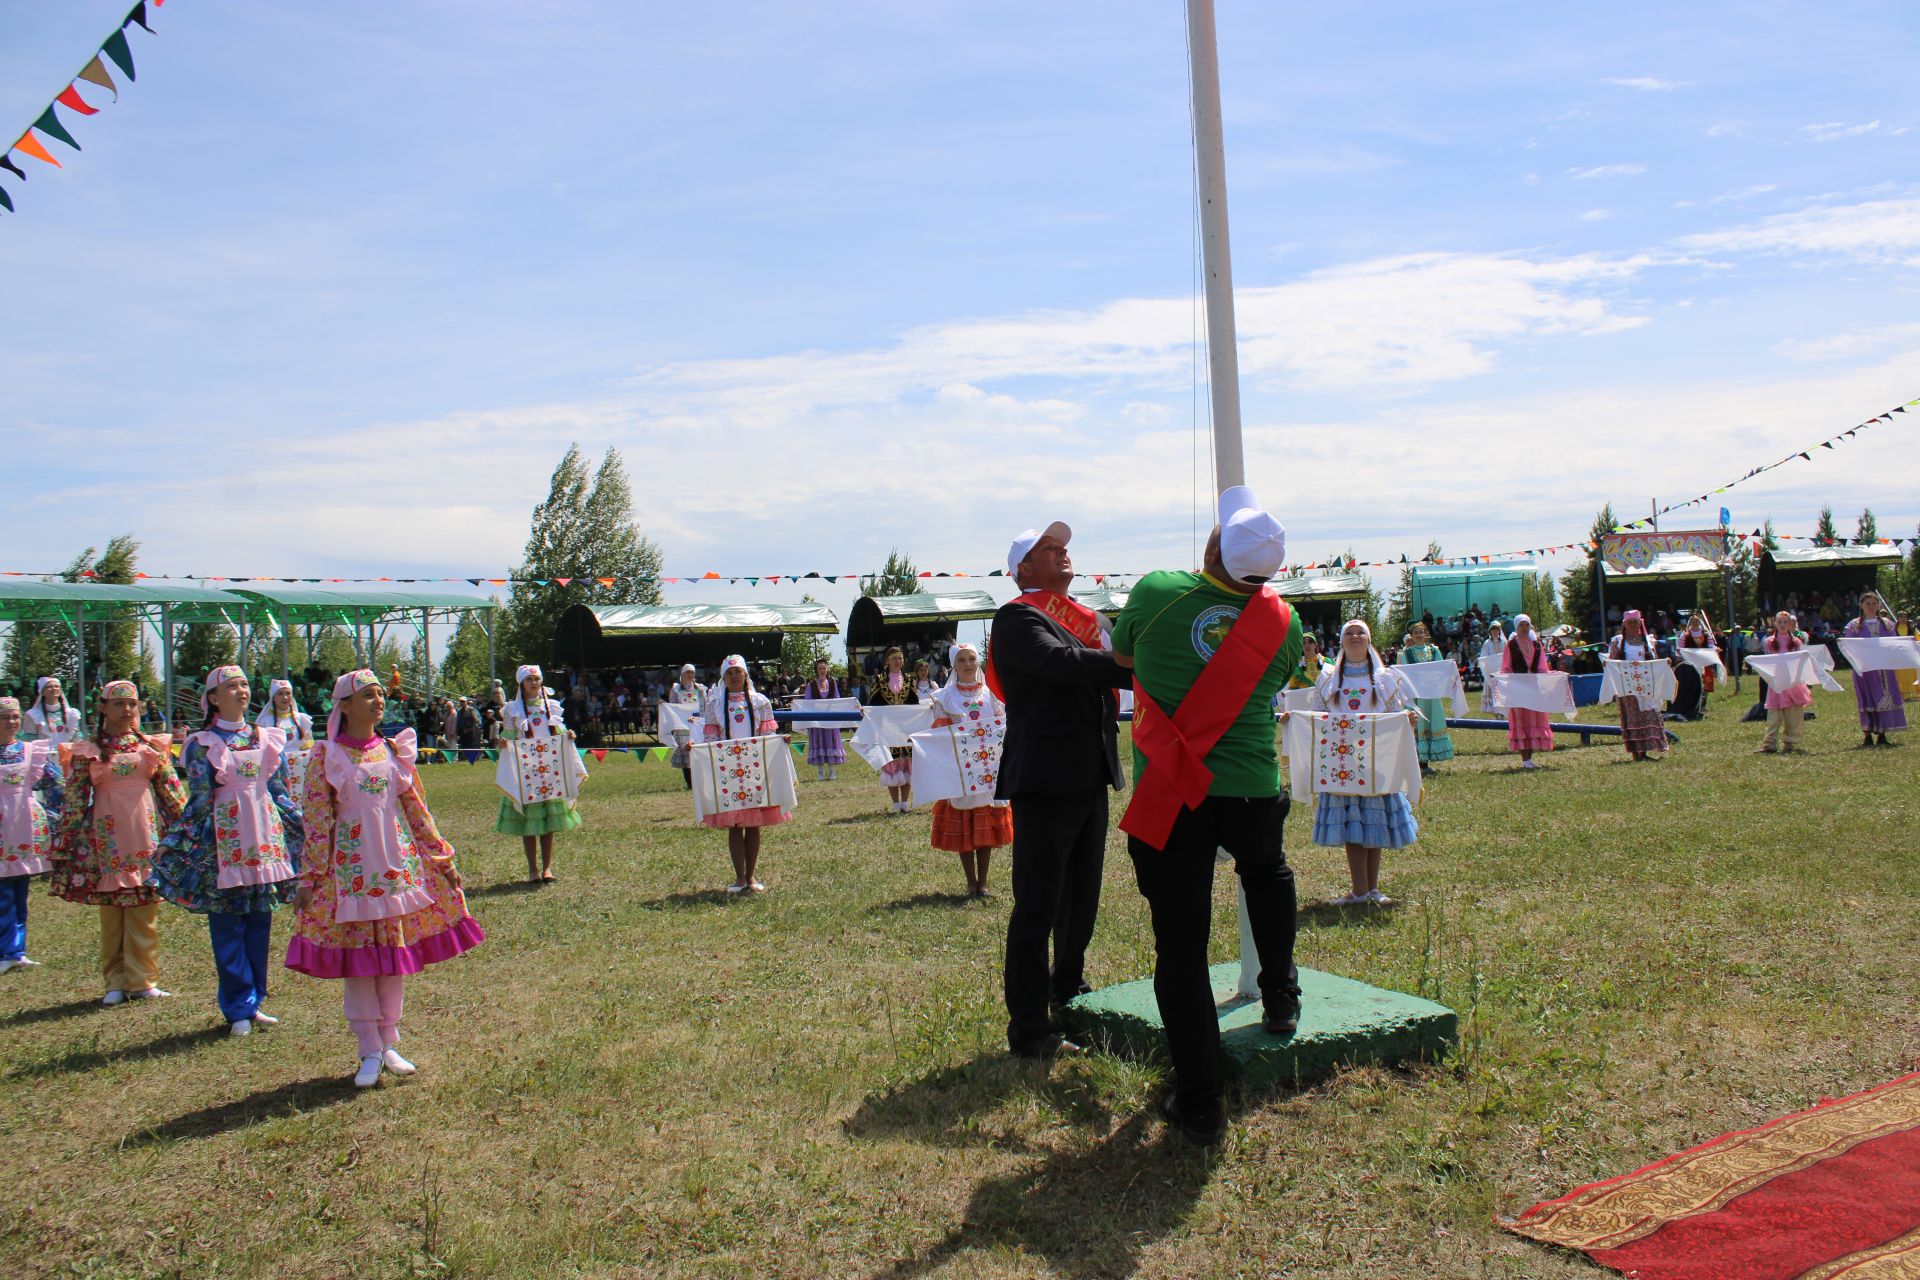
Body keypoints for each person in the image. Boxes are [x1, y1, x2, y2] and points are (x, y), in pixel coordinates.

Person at [1112, 487, 1302, 1145]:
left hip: (1176, 789)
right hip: (1250, 779)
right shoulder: (1286, 621)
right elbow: (1270, 684)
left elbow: (1124, 658)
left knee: (1182, 946)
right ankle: (1281, 997)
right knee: (1268, 874)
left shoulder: (1158, 589)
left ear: (1214, 546)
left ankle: (1199, 1102)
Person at [286, 670, 483, 1089]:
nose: (378, 701)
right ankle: (368, 1049)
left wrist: (442, 858)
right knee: (360, 963)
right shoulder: (326, 756)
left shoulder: (394, 752)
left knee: (391, 959)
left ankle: (390, 1040)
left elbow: (416, 810)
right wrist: (309, 877)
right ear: (345, 706)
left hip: (393, 871)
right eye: (368, 695)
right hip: (350, 875)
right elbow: (317, 824)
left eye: (380, 695)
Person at [987, 521, 1127, 1060]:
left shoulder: (1091, 619)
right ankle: (1028, 1025)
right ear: (1023, 568)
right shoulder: (1017, 616)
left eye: (1063, 546)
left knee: (1082, 898)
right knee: (1039, 904)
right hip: (1045, 776)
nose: (1062, 552)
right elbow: (1059, 664)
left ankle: (1067, 987)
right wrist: (1134, 668)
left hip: (1088, 771)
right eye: (1049, 548)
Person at [153, 667, 304, 1036]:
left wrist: (303, 824)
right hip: (225, 844)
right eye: (231, 686)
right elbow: (200, 801)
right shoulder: (201, 743)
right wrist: (179, 845)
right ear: (214, 698)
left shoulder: (268, 737)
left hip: (265, 839)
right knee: (226, 925)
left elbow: (279, 791)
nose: (240, 691)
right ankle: (237, 1006)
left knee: (259, 922)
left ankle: (255, 1002)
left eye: (244, 685)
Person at [49, 680, 187, 1005]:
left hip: (144, 835)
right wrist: (64, 841)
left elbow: (173, 793)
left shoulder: (151, 746)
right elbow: (74, 799)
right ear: (103, 708)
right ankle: (114, 981)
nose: (126, 710)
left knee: (143, 908)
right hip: (106, 839)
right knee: (112, 910)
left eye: (132, 704)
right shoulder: (88, 751)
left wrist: (191, 829)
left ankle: (143, 980)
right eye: (119, 704)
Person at [1312, 621, 1418, 906]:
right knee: (1353, 822)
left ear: (1369, 640)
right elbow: (1317, 716)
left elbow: (1397, 714)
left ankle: (1370, 889)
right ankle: (1359, 889)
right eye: (1349, 632)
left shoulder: (1385, 679)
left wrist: (1407, 719)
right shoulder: (1327, 678)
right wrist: (1292, 720)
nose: (1355, 637)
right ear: (1341, 640)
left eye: (1360, 633)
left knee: (1373, 820)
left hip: (1375, 760)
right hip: (1343, 762)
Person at [925, 642, 1013, 898]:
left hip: (988, 768)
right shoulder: (944, 697)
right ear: (954, 665)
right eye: (962, 660)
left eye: (972, 659)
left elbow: (1003, 724)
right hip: (961, 768)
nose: (968, 665)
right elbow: (941, 732)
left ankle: (983, 881)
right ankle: (970, 881)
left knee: (985, 822)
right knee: (965, 823)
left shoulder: (992, 694)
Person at [700, 655, 791, 895]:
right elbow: (710, 739)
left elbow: (767, 734)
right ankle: (739, 878)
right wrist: (701, 753)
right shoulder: (715, 705)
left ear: (745, 675)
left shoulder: (760, 702)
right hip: (726, 770)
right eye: (729, 673)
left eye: (738, 672)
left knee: (753, 825)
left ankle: (750, 876)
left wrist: (780, 742)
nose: (734, 676)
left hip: (754, 769)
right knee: (734, 825)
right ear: (723, 677)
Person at [496, 664, 582, 883]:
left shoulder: (551, 707)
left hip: (549, 772)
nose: (533, 683)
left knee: (549, 821)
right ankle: (532, 869)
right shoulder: (512, 709)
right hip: (526, 772)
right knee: (530, 821)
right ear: (522, 684)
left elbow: (558, 733)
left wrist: (568, 735)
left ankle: (547, 868)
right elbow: (506, 736)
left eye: (536, 679)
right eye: (529, 680)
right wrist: (504, 742)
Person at [0, 695, 63, 976]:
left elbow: (55, 783)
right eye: (5, 717)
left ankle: (18, 949)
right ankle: (6, 949)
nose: (11, 722)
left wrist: (56, 812)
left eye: (14, 717)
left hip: (23, 823)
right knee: (2, 891)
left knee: (20, 888)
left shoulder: (29, 751)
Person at [1843, 591, 1907, 746]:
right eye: (1867, 604)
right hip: (1864, 670)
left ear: (1879, 605)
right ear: (1861, 606)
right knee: (1866, 698)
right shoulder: (1853, 626)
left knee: (1884, 697)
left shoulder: (1887, 624)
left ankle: (1882, 734)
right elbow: (1848, 647)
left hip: (1884, 669)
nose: (1871, 607)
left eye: (1874, 603)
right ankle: (1867, 735)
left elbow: (1893, 644)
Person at [1608, 610, 1669, 761]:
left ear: (1640, 623)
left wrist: (1664, 663)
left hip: (1646, 684)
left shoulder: (1647, 641)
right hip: (1628, 685)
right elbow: (1612, 661)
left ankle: (1647, 750)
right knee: (1633, 717)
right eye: (1630, 623)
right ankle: (1638, 752)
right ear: (1625, 624)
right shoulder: (1618, 642)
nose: (1633, 625)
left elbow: (1654, 660)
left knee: (1648, 715)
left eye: (1636, 622)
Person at [864, 647, 919, 813]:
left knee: (907, 763)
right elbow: (873, 704)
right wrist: (866, 712)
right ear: (887, 661)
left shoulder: (909, 680)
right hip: (887, 730)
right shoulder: (880, 680)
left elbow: (915, 704)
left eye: (900, 658)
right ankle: (896, 803)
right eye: (894, 658)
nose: (898, 661)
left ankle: (905, 802)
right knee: (892, 764)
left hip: (905, 729)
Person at [1396, 621, 1454, 773]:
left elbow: (1442, 668)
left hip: (1432, 695)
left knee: (1430, 723)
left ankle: (1425, 763)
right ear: (1411, 636)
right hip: (1415, 696)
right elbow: (1404, 674)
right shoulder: (1406, 654)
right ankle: (1417, 763)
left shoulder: (1434, 651)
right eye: (1416, 632)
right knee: (1418, 725)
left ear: (1426, 634)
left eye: (1421, 632)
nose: (1419, 635)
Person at [1503, 614, 1555, 769]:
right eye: (1521, 625)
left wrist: (1553, 676)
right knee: (1521, 721)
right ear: (1516, 628)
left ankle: (1529, 759)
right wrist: (1505, 679)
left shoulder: (1537, 644)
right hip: (1518, 689)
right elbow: (1506, 667)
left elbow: (1542, 667)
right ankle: (1525, 760)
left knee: (1534, 720)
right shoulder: (1510, 645)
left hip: (1534, 688)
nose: (1524, 628)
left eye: (1527, 625)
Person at [1757, 611, 1812, 754]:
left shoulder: (1796, 642)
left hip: (1792, 682)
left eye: (1785, 622)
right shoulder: (1768, 642)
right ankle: (1770, 744)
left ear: (1790, 624)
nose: (1782, 625)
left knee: (1793, 714)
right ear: (1774, 623)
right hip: (1776, 682)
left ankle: (1790, 743)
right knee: (1774, 714)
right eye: (1779, 622)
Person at [797, 658, 847, 782]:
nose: (822, 670)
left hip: (830, 719)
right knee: (818, 743)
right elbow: (807, 701)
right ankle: (820, 773)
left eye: (824, 667)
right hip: (817, 719)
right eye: (820, 668)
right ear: (816, 670)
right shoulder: (811, 684)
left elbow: (837, 698)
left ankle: (832, 772)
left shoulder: (833, 682)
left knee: (831, 743)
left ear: (827, 669)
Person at [665, 664, 705, 790]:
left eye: (692, 672)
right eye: (687, 672)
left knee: (697, 752)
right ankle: (690, 783)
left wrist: (697, 718)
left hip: (696, 724)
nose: (690, 674)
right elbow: (673, 707)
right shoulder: (676, 689)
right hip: (682, 725)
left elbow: (704, 707)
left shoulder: (700, 688)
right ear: (682, 674)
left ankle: (699, 781)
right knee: (685, 754)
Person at [22, 677, 81, 745]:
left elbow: (77, 737)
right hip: (43, 754)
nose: (54, 689)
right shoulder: (33, 715)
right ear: (42, 691)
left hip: (67, 753)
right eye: (49, 687)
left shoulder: (72, 714)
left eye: (56, 686)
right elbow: (30, 741)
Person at [1680, 611, 1718, 695]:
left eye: (1696, 621)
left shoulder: (1705, 634)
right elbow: (1681, 647)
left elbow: (1711, 645)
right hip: (1691, 661)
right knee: (1693, 680)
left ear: (1699, 622)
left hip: (1703, 661)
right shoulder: (1685, 634)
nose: (1694, 623)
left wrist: (1715, 649)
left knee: (1705, 680)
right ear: (1690, 623)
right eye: (1692, 622)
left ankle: (1703, 701)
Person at [1478, 622, 1508, 720]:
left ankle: (1502, 713)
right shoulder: (1487, 643)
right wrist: (1488, 670)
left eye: (1497, 629)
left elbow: (1507, 656)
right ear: (1490, 631)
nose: (1495, 632)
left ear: (1499, 631)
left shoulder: (1504, 642)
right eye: (1493, 630)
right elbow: (1484, 657)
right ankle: (1496, 713)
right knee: (1493, 693)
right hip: (1491, 673)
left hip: (1502, 673)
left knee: (1502, 693)